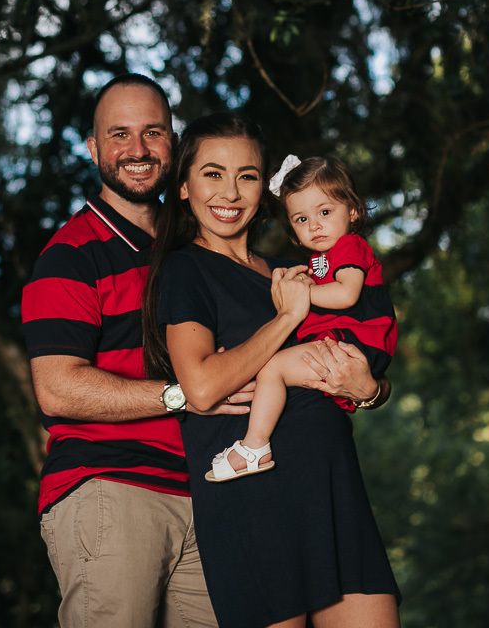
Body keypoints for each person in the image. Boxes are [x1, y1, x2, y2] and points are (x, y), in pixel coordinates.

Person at [142, 114, 400, 628]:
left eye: (248, 175)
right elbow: (201, 386)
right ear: (184, 186)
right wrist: (286, 319)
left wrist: (371, 390)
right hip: (255, 502)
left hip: (331, 485)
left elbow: (350, 359)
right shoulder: (185, 269)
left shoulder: (290, 269)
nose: (231, 192)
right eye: (213, 174)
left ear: (264, 189)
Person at [21, 74, 251, 628]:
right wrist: (184, 394)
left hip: (209, 495)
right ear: (93, 148)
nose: (138, 150)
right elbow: (57, 388)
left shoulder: (200, 244)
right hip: (113, 488)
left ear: (174, 143)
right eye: (119, 134)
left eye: (153, 132)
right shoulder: (71, 255)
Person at [205, 154, 397, 481]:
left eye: (325, 212)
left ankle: (254, 447)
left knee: (273, 368)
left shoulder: (349, 246)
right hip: (345, 342)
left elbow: (346, 295)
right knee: (274, 370)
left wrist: (299, 295)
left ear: (352, 211)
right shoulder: (322, 259)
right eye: (301, 219)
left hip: (355, 340)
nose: (314, 225)